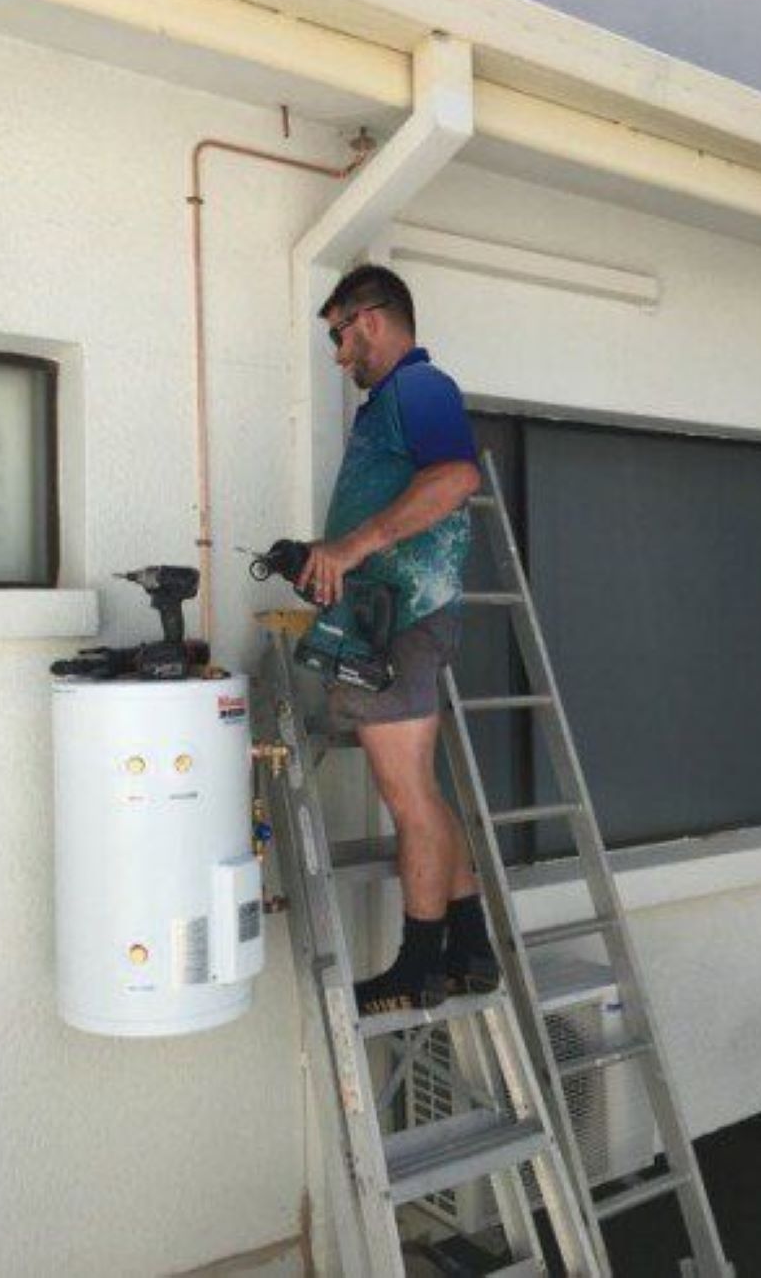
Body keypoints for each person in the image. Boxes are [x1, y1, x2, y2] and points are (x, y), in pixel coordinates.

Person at [297, 264, 497, 1016]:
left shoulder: (420, 387)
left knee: (406, 795)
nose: (339, 352)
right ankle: (471, 945)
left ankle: (418, 965)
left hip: (402, 620)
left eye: (340, 334)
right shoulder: (390, 403)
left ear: (371, 318)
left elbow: (454, 478)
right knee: (420, 788)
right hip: (397, 615)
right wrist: (328, 551)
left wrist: (352, 549)